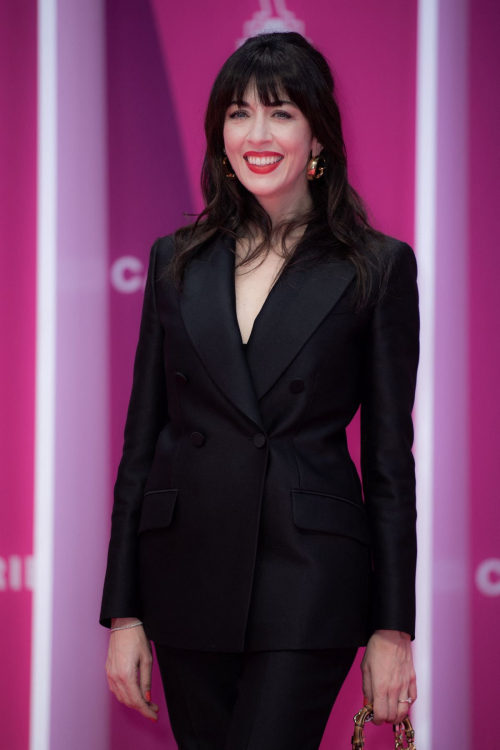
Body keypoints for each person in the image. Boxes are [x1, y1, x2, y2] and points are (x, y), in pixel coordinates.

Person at [100, 31, 419, 749]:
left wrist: (392, 628)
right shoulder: (176, 262)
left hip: (307, 575)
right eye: (239, 113)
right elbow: (143, 440)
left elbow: (391, 463)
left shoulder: (375, 266)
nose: (258, 134)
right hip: (185, 572)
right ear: (219, 135)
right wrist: (124, 613)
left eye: (280, 112)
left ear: (318, 138)